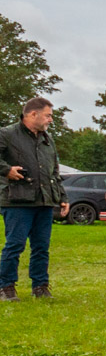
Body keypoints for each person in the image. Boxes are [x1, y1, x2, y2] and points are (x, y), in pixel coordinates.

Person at [0, 97, 67, 300]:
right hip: (17, 201)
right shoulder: (7, 134)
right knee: (15, 244)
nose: (51, 120)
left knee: (41, 247)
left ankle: (40, 287)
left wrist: (62, 197)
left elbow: (54, 171)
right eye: (48, 115)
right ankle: (6, 287)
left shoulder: (47, 139)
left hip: (44, 201)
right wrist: (6, 170)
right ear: (32, 114)